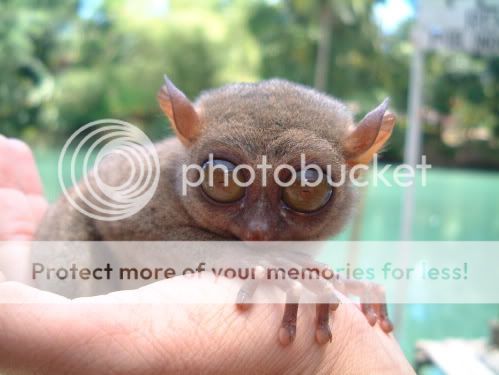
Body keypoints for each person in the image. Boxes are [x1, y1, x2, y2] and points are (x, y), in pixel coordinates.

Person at [0, 135, 415, 374]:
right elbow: (117, 221)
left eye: (306, 190)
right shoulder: (160, 177)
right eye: (225, 181)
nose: (258, 230)